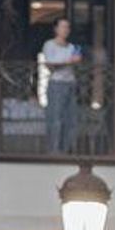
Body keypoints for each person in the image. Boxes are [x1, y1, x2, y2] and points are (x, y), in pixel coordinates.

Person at [41, 17, 82, 154]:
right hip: (57, 84)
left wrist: (74, 62)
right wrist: (69, 61)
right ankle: (54, 151)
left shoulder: (72, 47)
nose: (66, 30)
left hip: (71, 83)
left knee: (70, 119)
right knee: (55, 118)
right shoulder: (49, 45)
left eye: (68, 27)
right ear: (56, 29)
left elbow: (76, 65)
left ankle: (66, 150)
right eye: (63, 27)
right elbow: (51, 65)